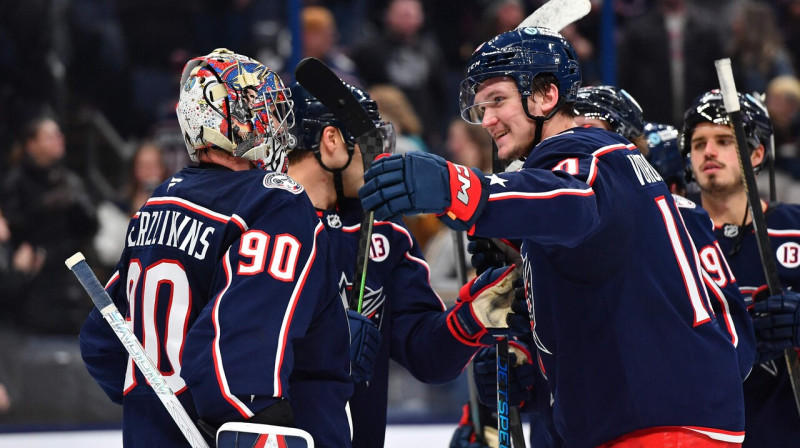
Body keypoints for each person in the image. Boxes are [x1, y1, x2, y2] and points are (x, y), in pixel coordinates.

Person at [360, 27, 746, 446]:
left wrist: (463, 191)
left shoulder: (589, 153)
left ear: (546, 95)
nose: (487, 119)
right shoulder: (599, 165)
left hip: (658, 423)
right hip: (657, 416)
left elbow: (571, 201)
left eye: (498, 100)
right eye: (481, 106)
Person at [79, 48, 352, 448]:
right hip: (229, 434)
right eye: (262, 109)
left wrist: (151, 402)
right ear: (230, 119)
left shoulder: (156, 205)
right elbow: (237, 348)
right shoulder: (270, 201)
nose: (275, 126)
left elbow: (102, 340)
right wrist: (251, 419)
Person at [287, 81, 526, 448]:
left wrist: (475, 315)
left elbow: (428, 358)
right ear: (332, 141)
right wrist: (323, 345)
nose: (380, 155)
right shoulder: (262, 223)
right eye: (369, 140)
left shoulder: (386, 233)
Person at [681, 89, 800, 446]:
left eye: (724, 140)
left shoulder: (794, 228)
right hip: (705, 431)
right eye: (699, 143)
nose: (709, 152)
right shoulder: (671, 236)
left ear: (757, 152)